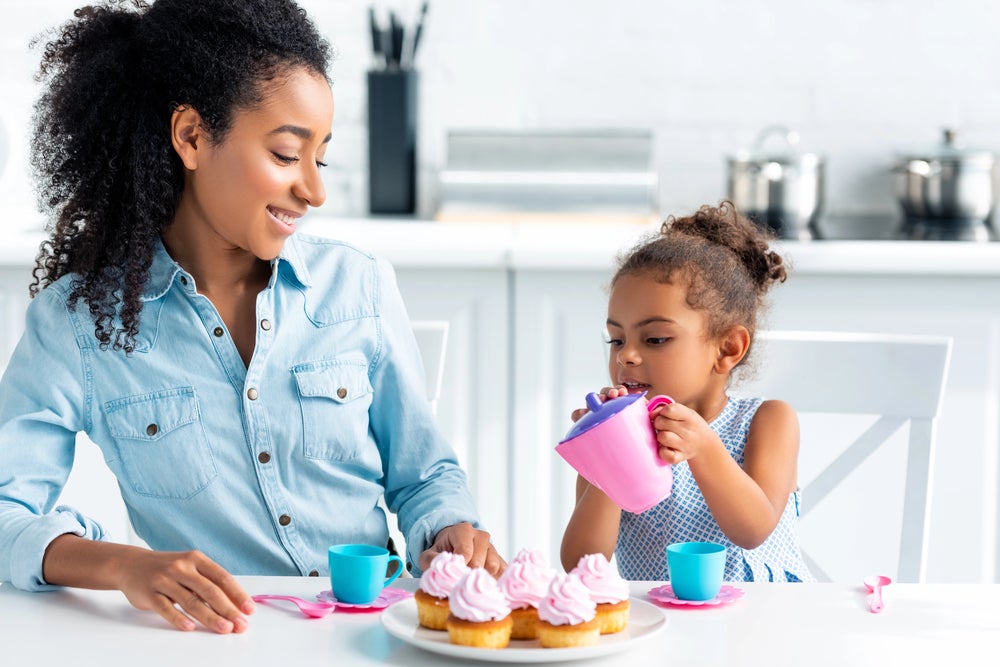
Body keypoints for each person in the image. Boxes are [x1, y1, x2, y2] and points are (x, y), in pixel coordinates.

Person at [0, 0, 503, 634]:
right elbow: (5, 513)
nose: (314, 191)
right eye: (288, 155)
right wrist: (124, 566)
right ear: (191, 136)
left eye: (320, 158)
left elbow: (424, 475)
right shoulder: (78, 323)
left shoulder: (358, 285)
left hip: (377, 632)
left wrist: (454, 529)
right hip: (220, 642)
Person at [560, 202, 813, 583]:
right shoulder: (624, 438)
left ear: (727, 348)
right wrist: (609, 454)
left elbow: (753, 530)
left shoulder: (768, 420)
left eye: (656, 339)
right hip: (664, 627)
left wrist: (704, 447)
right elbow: (581, 564)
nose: (626, 355)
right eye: (616, 340)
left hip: (763, 624)